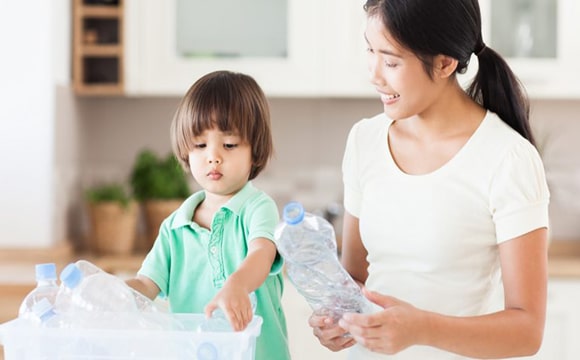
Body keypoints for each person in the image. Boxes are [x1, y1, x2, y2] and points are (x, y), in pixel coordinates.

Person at [308, 0, 550, 359]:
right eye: (369, 51)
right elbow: (355, 276)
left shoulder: (508, 158)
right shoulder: (365, 141)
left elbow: (527, 331)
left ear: (444, 63)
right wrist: (336, 318)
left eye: (390, 61)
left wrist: (421, 329)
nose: (374, 74)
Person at [127, 70, 290, 360]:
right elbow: (146, 285)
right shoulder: (174, 227)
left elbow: (262, 255)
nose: (213, 156)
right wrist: (110, 296)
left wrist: (237, 285)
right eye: (200, 145)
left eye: (229, 144)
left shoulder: (257, 207)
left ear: (255, 151)